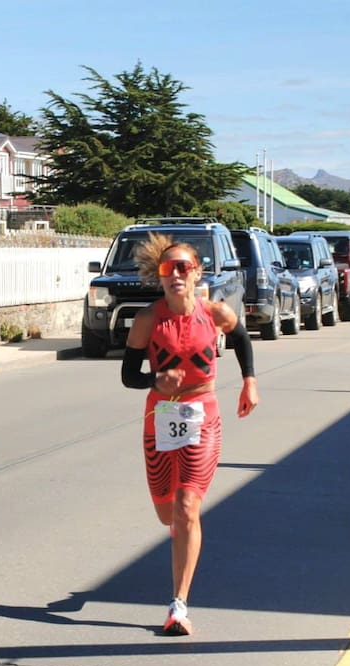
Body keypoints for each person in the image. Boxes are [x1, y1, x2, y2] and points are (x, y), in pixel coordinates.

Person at [120, 232, 260, 636]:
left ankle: (178, 605)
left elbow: (241, 338)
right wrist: (155, 381)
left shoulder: (214, 313)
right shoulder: (148, 319)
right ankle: (182, 538)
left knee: (186, 507)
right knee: (167, 512)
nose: (176, 273)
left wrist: (250, 381)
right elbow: (129, 375)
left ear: (197, 273)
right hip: (160, 417)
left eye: (184, 266)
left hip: (203, 412)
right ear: (160, 276)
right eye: (168, 267)